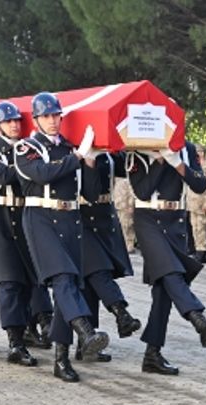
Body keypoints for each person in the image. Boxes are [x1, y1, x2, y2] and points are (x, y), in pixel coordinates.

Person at [13, 92, 109, 382]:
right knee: (63, 279)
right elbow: (42, 174)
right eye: (46, 116)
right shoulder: (25, 148)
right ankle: (86, 331)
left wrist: (89, 161)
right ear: (36, 119)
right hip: (41, 219)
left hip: (70, 219)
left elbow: (90, 193)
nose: (52, 120)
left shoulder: (70, 148)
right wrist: (77, 157)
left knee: (68, 288)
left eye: (56, 115)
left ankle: (61, 359)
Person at [125, 142, 206, 375]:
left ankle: (152, 355)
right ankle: (197, 318)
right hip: (148, 218)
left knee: (164, 291)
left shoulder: (185, 149)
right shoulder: (137, 151)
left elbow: (200, 185)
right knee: (171, 272)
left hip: (176, 220)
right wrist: (160, 161)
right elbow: (142, 191)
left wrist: (177, 163)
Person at [0, 100, 54, 367]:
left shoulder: (29, 148)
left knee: (34, 277)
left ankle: (40, 324)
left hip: (26, 217)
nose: (15, 125)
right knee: (9, 282)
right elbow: (3, 175)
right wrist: (32, 168)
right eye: (8, 121)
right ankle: (15, 343)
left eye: (17, 120)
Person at [78, 150, 142, 361]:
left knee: (90, 282)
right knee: (99, 271)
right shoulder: (75, 151)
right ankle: (121, 313)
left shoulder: (107, 153)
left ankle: (86, 341)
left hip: (104, 217)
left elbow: (126, 168)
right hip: (80, 216)